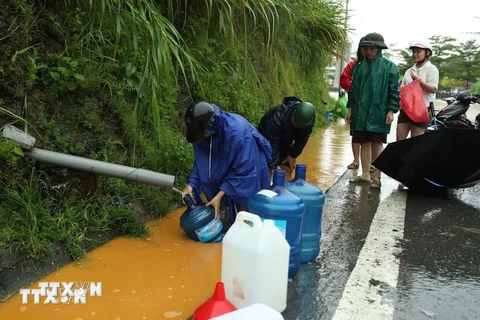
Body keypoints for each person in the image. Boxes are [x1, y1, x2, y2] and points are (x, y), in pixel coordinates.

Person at [181, 101, 272, 223]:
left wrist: (219, 196)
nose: (201, 137)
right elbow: (203, 164)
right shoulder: (204, 134)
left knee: (246, 204)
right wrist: (191, 185)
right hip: (230, 161)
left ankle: (246, 230)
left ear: (210, 126)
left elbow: (244, 173)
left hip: (249, 162)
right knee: (225, 210)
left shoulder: (236, 132)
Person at [345, 32, 400, 189]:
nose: (368, 51)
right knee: (363, 142)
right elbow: (353, 91)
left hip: (379, 111)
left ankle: (377, 176)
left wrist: (391, 110)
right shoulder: (359, 67)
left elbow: (394, 91)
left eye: (372, 48)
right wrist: (350, 109)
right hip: (360, 112)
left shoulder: (389, 67)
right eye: (366, 48)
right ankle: (365, 174)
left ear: (379, 48)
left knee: (377, 143)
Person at [257, 96, 316, 179]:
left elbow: (303, 139)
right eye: (295, 123)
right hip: (266, 139)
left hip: (285, 140)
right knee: (268, 169)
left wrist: (292, 155)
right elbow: (272, 144)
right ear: (294, 112)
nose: (297, 127)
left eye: (300, 126)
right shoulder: (278, 116)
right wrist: (272, 167)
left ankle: (285, 190)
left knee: (288, 167)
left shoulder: (308, 120)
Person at [397, 42, 439, 139]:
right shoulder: (409, 70)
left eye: (418, 52)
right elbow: (403, 88)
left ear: (427, 52)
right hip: (407, 109)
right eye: (413, 52)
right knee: (399, 139)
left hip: (422, 110)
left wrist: (418, 81)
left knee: (416, 141)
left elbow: (433, 89)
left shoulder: (432, 69)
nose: (415, 54)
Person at [341, 38, 365, 171]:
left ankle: (371, 163)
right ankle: (356, 160)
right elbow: (344, 80)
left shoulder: (382, 67)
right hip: (356, 105)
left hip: (374, 108)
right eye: (363, 48)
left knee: (372, 137)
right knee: (356, 134)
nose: (366, 51)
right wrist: (355, 87)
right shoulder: (354, 65)